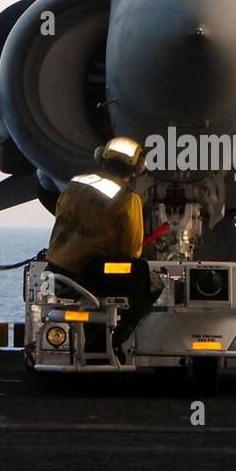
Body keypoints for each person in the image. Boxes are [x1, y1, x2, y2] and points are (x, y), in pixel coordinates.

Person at [45, 137, 162, 361]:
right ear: (137, 169)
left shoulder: (76, 184)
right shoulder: (127, 198)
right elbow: (131, 251)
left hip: (56, 270)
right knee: (151, 282)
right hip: (89, 276)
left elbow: (60, 211)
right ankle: (110, 341)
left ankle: (95, 335)